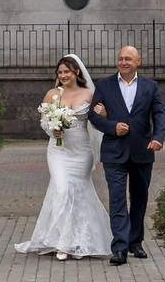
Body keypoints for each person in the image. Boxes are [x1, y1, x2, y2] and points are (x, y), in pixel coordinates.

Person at [15, 55, 113, 261]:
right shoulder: (52, 94)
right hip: (58, 151)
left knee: (78, 192)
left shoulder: (89, 94)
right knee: (61, 189)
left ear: (76, 72)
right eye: (60, 73)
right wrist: (53, 130)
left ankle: (77, 240)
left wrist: (103, 113)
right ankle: (62, 242)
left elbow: (97, 123)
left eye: (66, 72)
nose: (63, 76)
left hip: (81, 151)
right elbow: (44, 122)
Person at [88, 43, 165, 265]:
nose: (123, 62)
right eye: (121, 58)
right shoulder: (105, 85)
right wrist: (112, 127)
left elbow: (159, 113)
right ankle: (119, 247)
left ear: (137, 62)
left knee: (140, 199)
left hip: (143, 151)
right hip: (114, 152)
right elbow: (93, 116)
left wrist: (158, 137)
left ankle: (135, 241)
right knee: (118, 199)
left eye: (128, 59)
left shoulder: (150, 86)